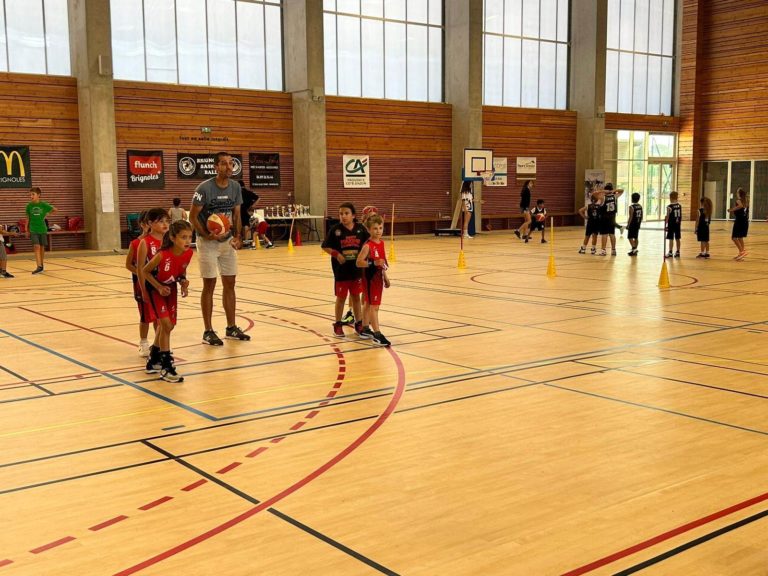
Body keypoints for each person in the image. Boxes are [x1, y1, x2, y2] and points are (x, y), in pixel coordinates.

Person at [189, 151, 250, 345]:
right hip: (207, 243)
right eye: (224, 163)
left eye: (231, 163)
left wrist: (238, 237)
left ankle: (231, 327)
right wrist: (206, 234)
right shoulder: (204, 188)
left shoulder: (235, 187)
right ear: (216, 167)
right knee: (209, 285)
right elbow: (192, 217)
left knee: (230, 283)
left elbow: (237, 214)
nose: (228, 167)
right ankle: (208, 331)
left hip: (227, 242)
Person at [142, 220, 194, 383]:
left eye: (190, 237)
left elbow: (180, 271)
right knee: (166, 325)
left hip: (170, 289)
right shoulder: (162, 255)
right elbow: (145, 271)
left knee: (168, 326)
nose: (187, 241)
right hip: (156, 290)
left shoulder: (189, 253)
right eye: (183, 237)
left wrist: (183, 281)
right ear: (172, 238)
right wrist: (158, 287)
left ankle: (153, 360)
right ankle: (166, 367)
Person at [322, 202, 369, 338]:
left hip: (356, 270)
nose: (343, 216)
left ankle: (359, 323)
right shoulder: (335, 230)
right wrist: (337, 255)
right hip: (341, 271)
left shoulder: (360, 229)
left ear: (353, 215)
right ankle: (338, 324)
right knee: (341, 298)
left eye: (346, 213)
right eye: (341, 214)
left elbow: (368, 243)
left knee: (356, 297)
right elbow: (325, 246)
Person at [356, 214, 391, 346]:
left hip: (378, 279)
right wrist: (372, 263)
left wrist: (385, 277)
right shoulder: (368, 246)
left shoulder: (381, 243)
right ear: (369, 229)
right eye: (375, 228)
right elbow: (359, 262)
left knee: (368, 303)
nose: (378, 231)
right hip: (370, 279)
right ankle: (377, 334)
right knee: (374, 307)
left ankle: (365, 328)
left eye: (380, 228)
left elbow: (382, 262)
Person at [125, 210, 155, 357]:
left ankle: (159, 343)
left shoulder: (159, 242)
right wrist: (142, 273)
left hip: (157, 283)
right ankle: (143, 342)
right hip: (141, 284)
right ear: (142, 224)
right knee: (145, 316)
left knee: (159, 316)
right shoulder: (136, 243)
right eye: (148, 223)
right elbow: (128, 265)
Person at [25, 187, 57, 274]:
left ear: (39, 195)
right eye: (30, 195)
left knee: (42, 247)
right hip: (33, 229)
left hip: (42, 229)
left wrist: (47, 214)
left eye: (33, 194)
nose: (31, 196)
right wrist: (26, 229)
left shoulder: (43, 205)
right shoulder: (29, 206)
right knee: (36, 246)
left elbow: (55, 210)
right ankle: (38, 266)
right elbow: (27, 218)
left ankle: (41, 265)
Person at [598, 183, 624, 256]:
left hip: (604, 218)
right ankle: (613, 250)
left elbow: (595, 193)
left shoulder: (603, 198)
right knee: (612, 234)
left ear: (605, 190)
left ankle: (603, 250)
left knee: (604, 234)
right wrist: (613, 191)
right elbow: (622, 190)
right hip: (612, 218)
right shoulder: (614, 196)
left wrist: (604, 191)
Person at [729, 187, 749, 260]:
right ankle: (742, 253)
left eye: (737, 192)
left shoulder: (739, 201)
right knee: (740, 237)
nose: (736, 193)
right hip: (745, 221)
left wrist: (731, 210)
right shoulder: (746, 201)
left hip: (739, 221)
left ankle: (741, 252)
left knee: (734, 237)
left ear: (739, 194)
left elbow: (740, 206)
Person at [238, 180, 259, 247]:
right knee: (246, 224)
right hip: (247, 210)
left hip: (241, 210)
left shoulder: (239, 193)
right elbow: (258, 198)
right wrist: (253, 205)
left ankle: (242, 240)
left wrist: (253, 206)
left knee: (241, 225)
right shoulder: (249, 192)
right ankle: (246, 240)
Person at [665, 191, 683, 258]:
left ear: (671, 198)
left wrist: (666, 225)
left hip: (671, 224)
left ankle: (670, 252)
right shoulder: (679, 206)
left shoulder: (669, 207)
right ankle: (678, 252)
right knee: (677, 238)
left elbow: (668, 217)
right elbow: (680, 215)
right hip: (677, 224)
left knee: (671, 238)